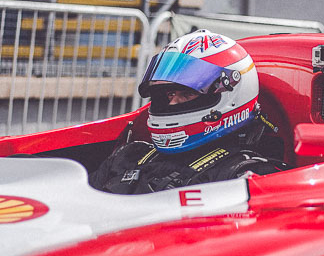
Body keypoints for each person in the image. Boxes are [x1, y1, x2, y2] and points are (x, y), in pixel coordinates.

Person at [89, 30, 284, 194]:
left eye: (187, 94)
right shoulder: (128, 156)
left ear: (230, 97)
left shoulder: (245, 176)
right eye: (169, 94)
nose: (171, 103)